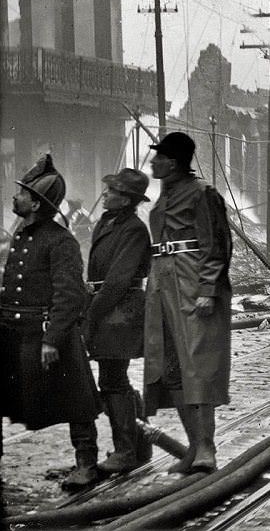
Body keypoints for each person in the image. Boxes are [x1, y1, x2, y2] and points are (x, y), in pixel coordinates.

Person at [0, 155, 102, 490]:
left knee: (77, 399)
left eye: (22, 193)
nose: (15, 197)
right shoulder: (23, 234)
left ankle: (86, 464)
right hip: (14, 331)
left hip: (45, 334)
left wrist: (52, 340)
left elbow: (68, 296)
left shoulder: (61, 241)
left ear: (35, 203)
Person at [145, 132, 232, 474]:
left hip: (191, 284)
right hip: (162, 286)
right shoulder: (164, 197)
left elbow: (216, 245)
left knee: (199, 366)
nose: (153, 162)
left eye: (159, 157)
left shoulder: (202, 195)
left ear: (174, 162)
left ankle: (207, 447)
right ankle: (192, 447)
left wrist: (208, 290)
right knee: (172, 368)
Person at [85, 168, 153, 474]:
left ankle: (126, 451)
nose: (106, 194)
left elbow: (117, 281)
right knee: (114, 379)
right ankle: (137, 445)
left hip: (120, 312)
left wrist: (92, 313)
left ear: (126, 200)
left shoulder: (134, 229)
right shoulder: (107, 222)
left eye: (112, 191)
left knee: (113, 380)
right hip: (108, 309)